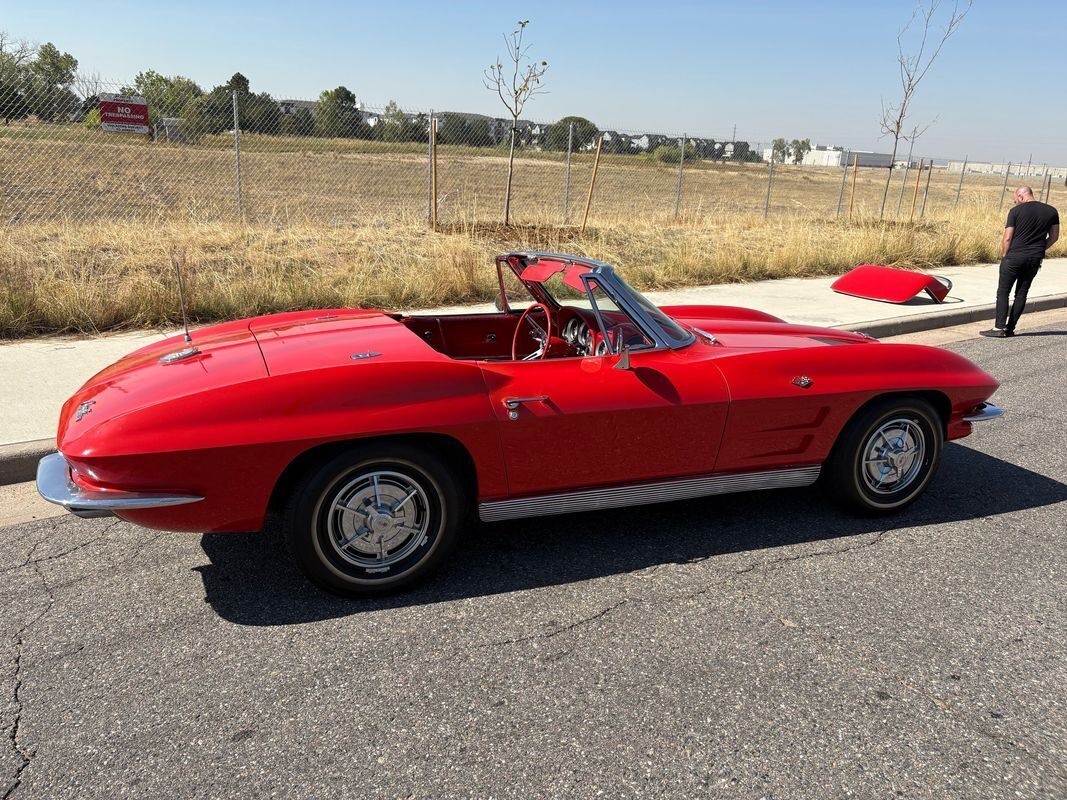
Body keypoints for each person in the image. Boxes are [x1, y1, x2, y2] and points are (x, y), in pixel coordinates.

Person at [981, 186, 1059, 338]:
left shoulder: (1015, 212)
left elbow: (1008, 237)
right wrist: (1040, 249)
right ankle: (1010, 329)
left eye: (1015, 199)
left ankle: (999, 328)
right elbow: (1054, 237)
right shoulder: (1051, 211)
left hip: (1014, 257)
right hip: (1034, 258)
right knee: (1022, 293)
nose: (1015, 202)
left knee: (1003, 292)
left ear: (1021, 196)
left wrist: (1004, 255)